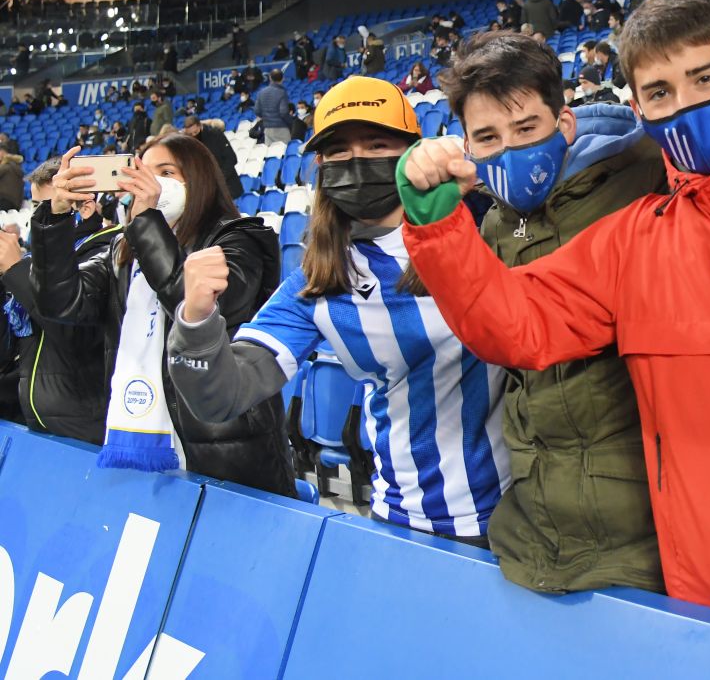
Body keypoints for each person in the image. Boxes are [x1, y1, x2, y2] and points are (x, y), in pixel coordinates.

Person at [395, 0, 710, 642]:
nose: (687, 106)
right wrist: (440, 228)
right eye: (661, 93)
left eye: (705, 77)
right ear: (638, 107)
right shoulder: (633, 241)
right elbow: (515, 323)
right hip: (703, 608)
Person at [167, 76, 510, 544]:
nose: (358, 161)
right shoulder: (321, 279)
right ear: (322, 166)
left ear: (412, 150)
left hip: (520, 518)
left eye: (376, 144)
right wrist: (196, 320)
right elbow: (222, 396)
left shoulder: (484, 221)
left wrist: (481, 173)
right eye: (339, 152)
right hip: (405, 522)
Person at [439, 31, 665, 592]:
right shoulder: (493, 221)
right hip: (537, 524)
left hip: (642, 525)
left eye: (526, 129)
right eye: (487, 137)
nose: (510, 150)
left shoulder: (645, 177)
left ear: (563, 125)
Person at [29, 135, 293, 495]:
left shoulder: (239, 237)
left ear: (198, 179)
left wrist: (146, 223)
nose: (148, 183)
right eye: (141, 172)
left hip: (229, 451)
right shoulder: (122, 250)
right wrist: (55, 220)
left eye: (165, 172)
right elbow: (61, 303)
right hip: (146, 446)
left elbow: (197, 307)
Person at [0, 159, 120, 444]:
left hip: (85, 422)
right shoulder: (39, 258)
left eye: (47, 206)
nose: (38, 219)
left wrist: (16, 270)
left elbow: (73, 331)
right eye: (36, 207)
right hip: (37, 418)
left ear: (85, 207)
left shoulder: (108, 250)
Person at [183, 115, 243, 199]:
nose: (193, 135)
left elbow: (231, 158)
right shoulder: (190, 144)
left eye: (195, 132)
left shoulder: (215, 134)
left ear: (200, 126)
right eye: (190, 134)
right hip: (209, 191)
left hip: (228, 185)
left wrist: (219, 178)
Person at [256, 68, 291, 144]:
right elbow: (284, 112)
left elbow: (257, 111)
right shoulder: (282, 92)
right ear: (282, 79)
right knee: (283, 152)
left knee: (271, 153)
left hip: (268, 129)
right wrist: (290, 124)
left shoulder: (261, 92)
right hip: (281, 129)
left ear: (270, 78)